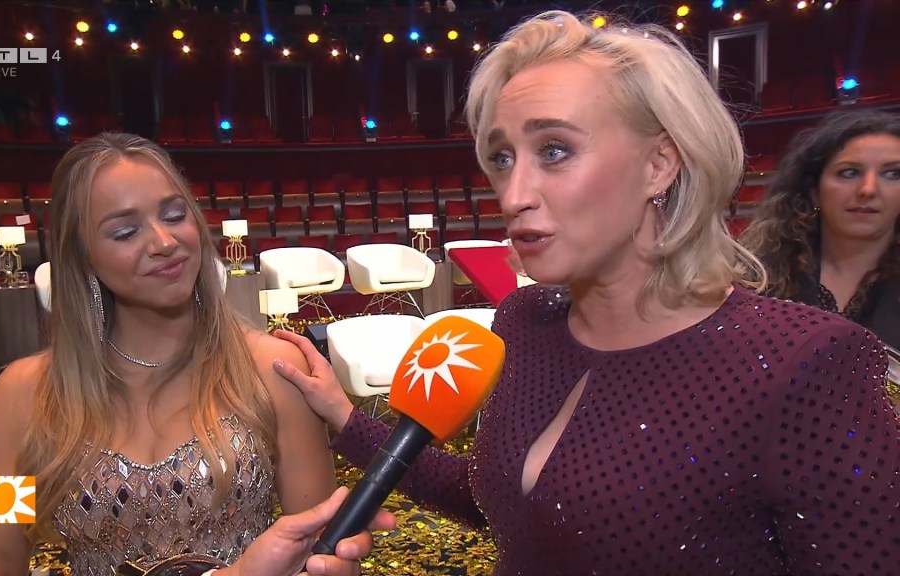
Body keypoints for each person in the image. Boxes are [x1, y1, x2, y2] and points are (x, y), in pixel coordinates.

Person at [271, 10, 900, 575]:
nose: (514, 194)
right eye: (502, 158)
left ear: (659, 164)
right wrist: (347, 420)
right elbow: (519, 504)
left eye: (554, 150)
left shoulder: (807, 361)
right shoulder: (522, 321)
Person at [0, 133, 392, 576]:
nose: (164, 241)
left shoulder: (277, 369)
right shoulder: (16, 394)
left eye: (174, 215)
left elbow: (322, 549)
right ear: (82, 256)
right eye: (125, 232)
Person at [740, 109, 900, 349]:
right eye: (849, 172)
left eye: (892, 174)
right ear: (813, 190)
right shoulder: (754, 281)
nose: (868, 189)